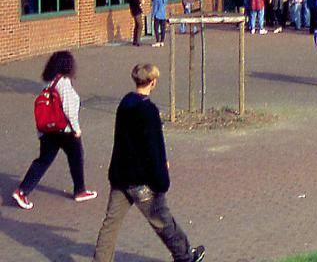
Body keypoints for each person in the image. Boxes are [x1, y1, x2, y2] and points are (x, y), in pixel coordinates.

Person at [92, 63, 205, 262]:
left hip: (120, 176)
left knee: (110, 225)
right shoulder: (148, 110)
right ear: (152, 82)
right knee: (163, 221)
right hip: (141, 181)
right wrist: (162, 178)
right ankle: (185, 256)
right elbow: (153, 148)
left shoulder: (124, 104)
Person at [12, 51, 97, 210]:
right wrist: (76, 130)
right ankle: (80, 190)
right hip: (64, 130)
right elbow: (68, 109)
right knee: (76, 157)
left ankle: (22, 190)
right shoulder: (64, 82)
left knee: (43, 160)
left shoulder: (48, 81)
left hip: (48, 129)